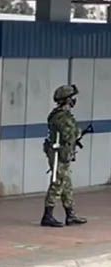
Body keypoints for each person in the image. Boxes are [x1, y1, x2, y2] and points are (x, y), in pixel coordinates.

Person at [41, 84, 87, 228]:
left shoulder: (58, 115)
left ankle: (70, 215)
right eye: (72, 98)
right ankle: (47, 215)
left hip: (61, 153)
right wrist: (78, 133)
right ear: (67, 100)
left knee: (66, 184)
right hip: (58, 154)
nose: (74, 101)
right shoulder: (62, 117)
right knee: (57, 183)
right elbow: (70, 135)